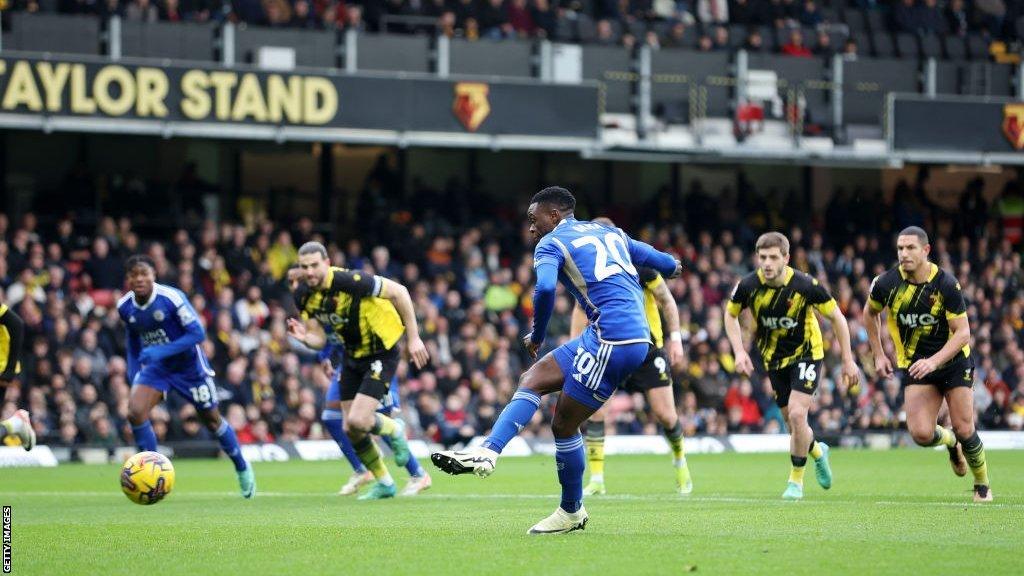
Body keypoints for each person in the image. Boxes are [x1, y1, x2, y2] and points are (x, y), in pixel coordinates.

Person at [431, 186, 681, 534]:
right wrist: (675, 266)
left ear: (554, 216)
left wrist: (537, 334)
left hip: (612, 338)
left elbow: (545, 289)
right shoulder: (610, 232)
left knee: (564, 424)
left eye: (534, 220)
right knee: (532, 379)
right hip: (624, 335)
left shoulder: (550, 243)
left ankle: (571, 511)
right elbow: (667, 263)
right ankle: (488, 451)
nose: (531, 229)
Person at [287, 242, 429, 500]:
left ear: (327, 262)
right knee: (350, 428)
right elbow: (319, 338)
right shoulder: (304, 294)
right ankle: (384, 483)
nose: (309, 271)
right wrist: (304, 339)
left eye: (314, 265)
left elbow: (400, 292)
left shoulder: (349, 280)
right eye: (304, 266)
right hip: (351, 356)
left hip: (381, 351)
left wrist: (414, 338)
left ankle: (397, 433)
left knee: (358, 420)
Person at [724, 232, 858, 500]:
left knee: (798, 415)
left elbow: (838, 318)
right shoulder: (749, 285)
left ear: (786, 258)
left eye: (773, 257)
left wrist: (847, 360)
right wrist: (739, 351)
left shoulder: (805, 285)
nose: (767, 263)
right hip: (774, 360)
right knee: (792, 424)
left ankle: (795, 481)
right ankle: (818, 451)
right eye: (763, 257)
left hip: (807, 354)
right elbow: (730, 314)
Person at [864, 226, 992, 503]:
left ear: (926, 250)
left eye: (910, 248)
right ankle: (950, 443)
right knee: (921, 434)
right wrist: (878, 353)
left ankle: (982, 484)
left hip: (953, 362)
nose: (904, 253)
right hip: (916, 365)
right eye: (900, 248)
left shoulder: (946, 284)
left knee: (965, 427)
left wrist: (934, 362)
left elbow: (963, 333)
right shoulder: (886, 283)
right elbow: (869, 312)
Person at [118, 255, 255, 498]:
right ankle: (151, 475)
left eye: (144, 274)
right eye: (134, 275)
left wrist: (160, 350)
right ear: (127, 279)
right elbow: (132, 342)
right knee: (135, 411)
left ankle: (242, 467)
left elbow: (197, 333)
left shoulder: (170, 298)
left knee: (211, 419)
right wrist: (133, 376)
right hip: (156, 369)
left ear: (154, 275)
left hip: (189, 368)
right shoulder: (125, 307)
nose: (139, 279)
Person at [577, 218, 692, 496]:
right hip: (606, 348)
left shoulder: (639, 264)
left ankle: (680, 460)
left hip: (648, 349)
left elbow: (666, 300)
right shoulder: (586, 269)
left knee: (666, 415)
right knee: (597, 411)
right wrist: (576, 345)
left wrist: (675, 339)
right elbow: (578, 311)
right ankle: (597, 479)